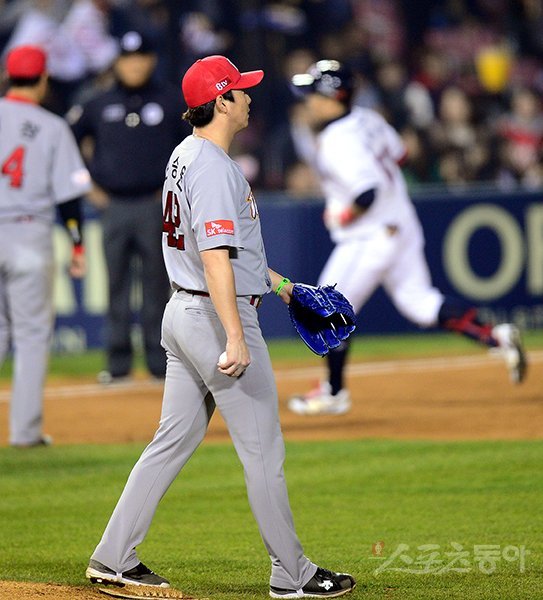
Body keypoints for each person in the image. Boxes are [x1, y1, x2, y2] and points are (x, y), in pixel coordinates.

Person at [85, 55, 356, 599]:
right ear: (222, 100)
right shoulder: (211, 166)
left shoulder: (186, 155)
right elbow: (216, 258)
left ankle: (113, 557)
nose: (250, 96)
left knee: (172, 440)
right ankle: (294, 576)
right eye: (242, 90)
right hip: (213, 316)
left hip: (184, 313)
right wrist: (234, 334)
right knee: (263, 452)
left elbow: (233, 256)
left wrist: (281, 288)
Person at [287, 60, 527, 416]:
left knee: (323, 308)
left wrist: (343, 213)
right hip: (401, 223)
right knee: (419, 303)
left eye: (313, 93)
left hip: (369, 236)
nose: (307, 100)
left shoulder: (336, 140)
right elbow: (400, 155)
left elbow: (366, 193)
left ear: (332, 96)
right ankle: (497, 337)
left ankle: (334, 392)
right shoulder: (369, 119)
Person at [69, 30, 188, 384]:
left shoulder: (169, 101)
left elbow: (194, 148)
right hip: (114, 205)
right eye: (127, 58)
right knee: (116, 286)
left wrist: (173, 191)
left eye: (141, 57)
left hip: (156, 204)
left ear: (151, 60)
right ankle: (118, 363)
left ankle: (159, 362)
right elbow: (66, 147)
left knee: (157, 287)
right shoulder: (98, 103)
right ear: (117, 62)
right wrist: (87, 188)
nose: (134, 64)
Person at [0, 45, 91, 446]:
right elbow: (69, 197)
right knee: (33, 335)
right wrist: (76, 245)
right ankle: (25, 433)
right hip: (28, 233)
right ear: (42, 80)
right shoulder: (52, 126)